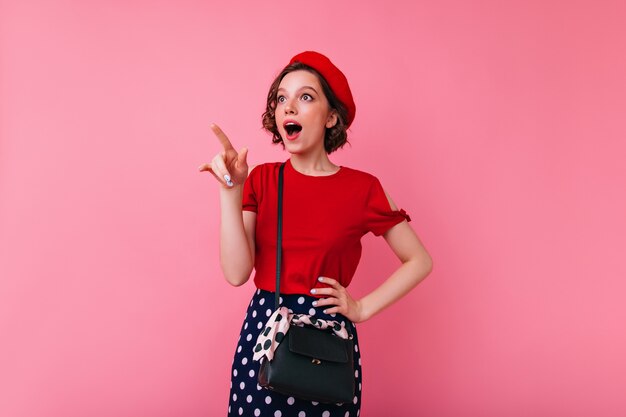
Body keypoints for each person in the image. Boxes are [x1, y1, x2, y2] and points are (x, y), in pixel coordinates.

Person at [199, 51, 433, 417]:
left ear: (332, 117)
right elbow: (236, 273)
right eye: (281, 98)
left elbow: (419, 260)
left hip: (328, 343)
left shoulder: (363, 188)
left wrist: (362, 308)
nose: (289, 107)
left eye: (305, 97)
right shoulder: (262, 179)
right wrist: (230, 190)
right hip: (265, 334)